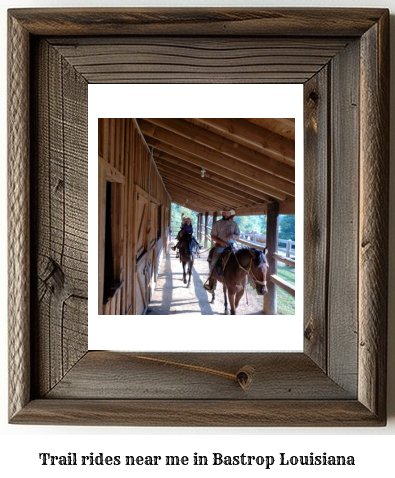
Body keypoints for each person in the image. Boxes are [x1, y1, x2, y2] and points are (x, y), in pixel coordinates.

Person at [204, 206, 240, 292]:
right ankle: (211, 281)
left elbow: (238, 236)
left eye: (227, 213)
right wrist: (221, 242)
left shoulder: (234, 224)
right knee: (213, 262)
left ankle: (240, 279)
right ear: (222, 214)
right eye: (224, 212)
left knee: (240, 260)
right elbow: (212, 236)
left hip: (231, 246)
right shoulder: (217, 223)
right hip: (220, 247)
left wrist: (233, 236)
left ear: (230, 214)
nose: (226, 214)